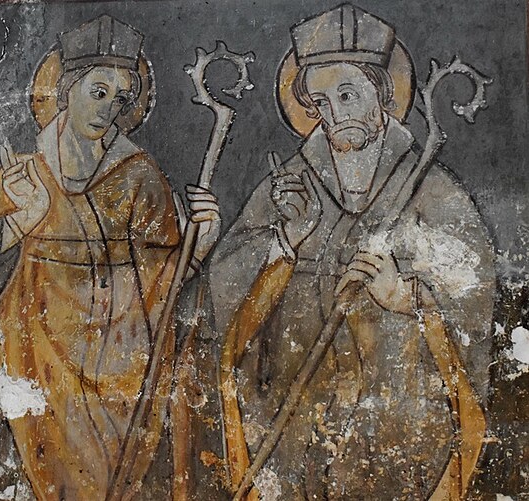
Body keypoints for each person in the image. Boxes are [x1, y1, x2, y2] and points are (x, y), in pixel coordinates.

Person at [184, 4, 496, 500]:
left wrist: (408, 297)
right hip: (297, 419)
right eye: (321, 102)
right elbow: (223, 293)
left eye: (347, 95)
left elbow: (472, 298)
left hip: (396, 423)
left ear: (382, 92)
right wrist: (285, 244)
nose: (334, 114)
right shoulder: (288, 185)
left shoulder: (433, 190)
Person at [0, 15, 220, 500]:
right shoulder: (24, 175)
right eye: (98, 91)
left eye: (121, 99)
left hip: (121, 364)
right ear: (65, 91)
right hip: (33, 361)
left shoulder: (141, 176)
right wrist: (16, 224)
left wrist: (199, 245)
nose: (108, 110)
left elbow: (163, 288)